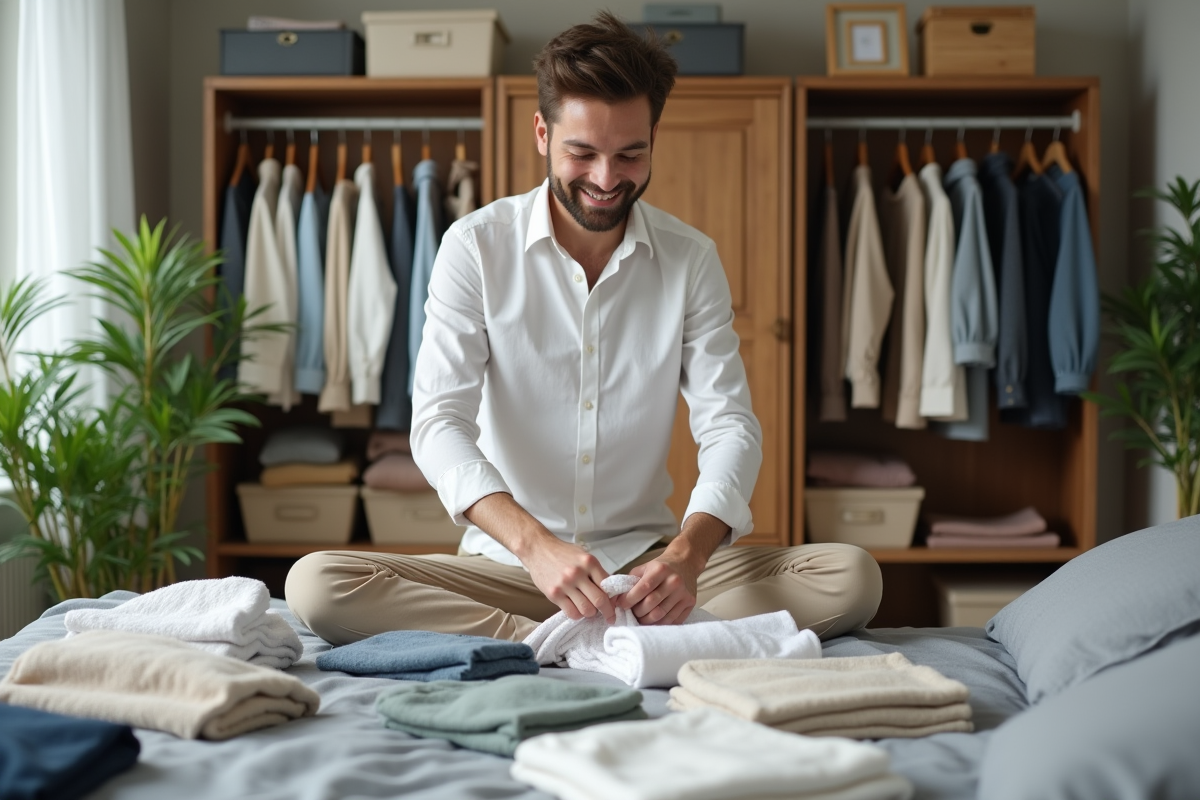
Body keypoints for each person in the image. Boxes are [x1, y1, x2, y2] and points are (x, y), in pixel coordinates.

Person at [285, 12, 882, 645]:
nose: (605, 179)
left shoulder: (691, 258)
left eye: (630, 154)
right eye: (582, 153)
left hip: (649, 569)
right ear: (543, 133)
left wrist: (688, 556)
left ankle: (568, 636)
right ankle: (578, 638)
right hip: (512, 566)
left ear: (654, 137)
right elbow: (438, 425)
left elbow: (730, 424)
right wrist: (536, 546)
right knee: (317, 585)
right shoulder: (475, 247)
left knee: (851, 576)